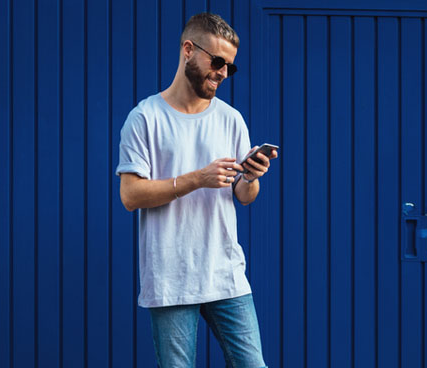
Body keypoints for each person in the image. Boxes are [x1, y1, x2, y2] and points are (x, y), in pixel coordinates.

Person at [115, 11, 276, 368]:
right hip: (170, 278)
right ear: (188, 49)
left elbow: (243, 197)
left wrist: (251, 177)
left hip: (226, 273)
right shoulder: (145, 119)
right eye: (217, 61)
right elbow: (130, 195)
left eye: (229, 67)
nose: (222, 73)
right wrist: (197, 179)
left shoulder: (231, 119)